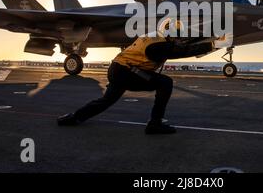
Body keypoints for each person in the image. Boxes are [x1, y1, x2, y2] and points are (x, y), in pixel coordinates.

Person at [57, 21, 233, 134]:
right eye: (177, 36)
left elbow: (181, 46)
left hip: (118, 69)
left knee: (106, 101)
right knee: (165, 83)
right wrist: (215, 44)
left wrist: (213, 39)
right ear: (171, 34)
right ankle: (155, 123)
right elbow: (184, 50)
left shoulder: (153, 38)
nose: (179, 39)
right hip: (126, 72)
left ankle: (74, 117)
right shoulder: (158, 47)